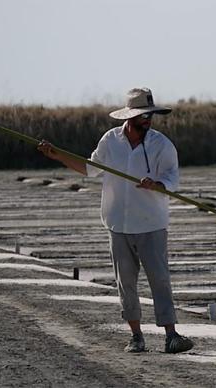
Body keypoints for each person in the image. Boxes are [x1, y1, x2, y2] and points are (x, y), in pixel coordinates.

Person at [37, 87, 194, 354]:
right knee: (125, 283)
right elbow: (90, 168)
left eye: (150, 115)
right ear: (130, 116)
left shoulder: (162, 145)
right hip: (118, 226)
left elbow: (172, 180)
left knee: (160, 280)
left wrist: (156, 185)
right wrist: (58, 155)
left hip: (151, 225)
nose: (148, 120)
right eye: (143, 116)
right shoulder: (110, 141)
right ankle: (136, 336)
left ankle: (171, 336)